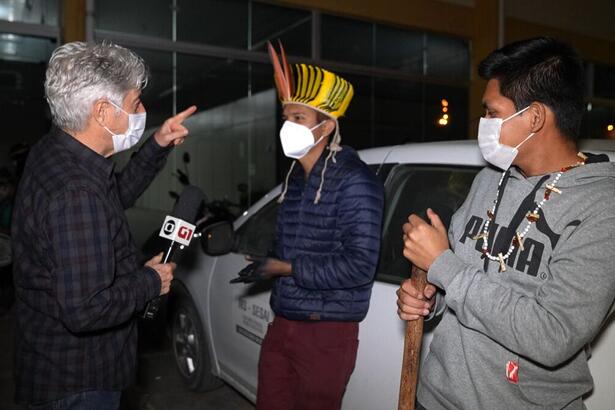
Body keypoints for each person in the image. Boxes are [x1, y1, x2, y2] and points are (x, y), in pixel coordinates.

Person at [397, 37, 615, 410]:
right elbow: (462, 281)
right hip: (434, 398)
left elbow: (553, 334)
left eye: (492, 112)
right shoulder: (490, 179)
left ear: (534, 117)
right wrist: (428, 299)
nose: (484, 123)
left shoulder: (601, 209)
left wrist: (443, 266)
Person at [12, 41, 196, 409]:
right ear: (101, 111)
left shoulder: (57, 151)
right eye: (134, 104)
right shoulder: (76, 192)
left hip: (49, 361)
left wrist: (157, 144)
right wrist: (150, 281)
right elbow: (86, 309)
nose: (142, 111)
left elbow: (112, 200)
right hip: (78, 381)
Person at [231, 42, 384, 410]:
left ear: (327, 126)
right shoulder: (296, 179)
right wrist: (270, 259)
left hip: (326, 331)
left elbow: (361, 264)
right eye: (286, 117)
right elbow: (300, 245)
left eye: (298, 118)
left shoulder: (355, 181)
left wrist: (287, 268)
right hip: (284, 319)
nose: (287, 126)